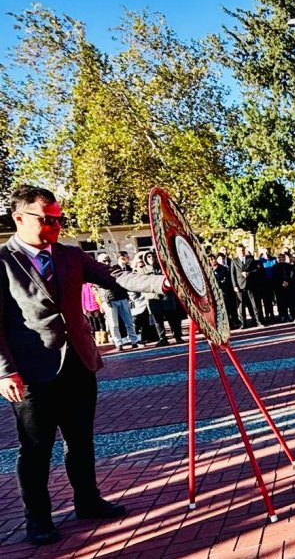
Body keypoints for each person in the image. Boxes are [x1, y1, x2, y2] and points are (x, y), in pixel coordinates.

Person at [0, 185, 167, 545]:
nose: (56, 226)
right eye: (48, 220)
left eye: (59, 219)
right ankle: (38, 519)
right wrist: (3, 371)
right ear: (19, 218)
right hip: (31, 373)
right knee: (35, 449)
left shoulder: (71, 256)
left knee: (80, 441)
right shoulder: (2, 262)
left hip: (78, 363)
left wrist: (163, 282)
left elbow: (115, 277)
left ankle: (88, 501)